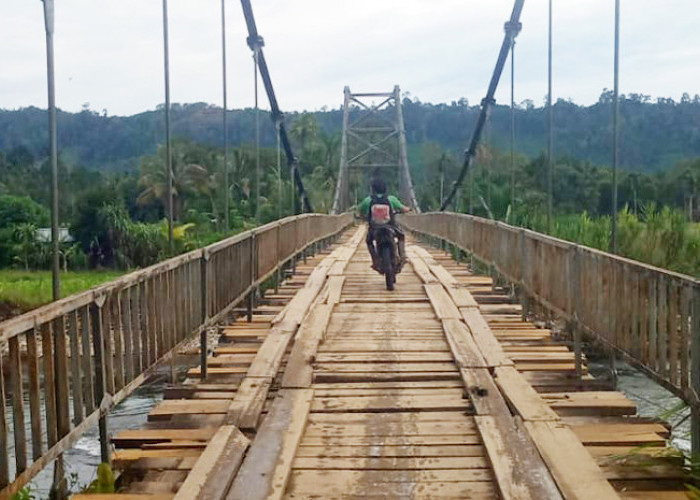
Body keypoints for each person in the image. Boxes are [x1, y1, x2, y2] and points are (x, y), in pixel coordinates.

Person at [357, 178, 409, 272]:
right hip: (390, 227)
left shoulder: (368, 200)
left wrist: (362, 217)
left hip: (374, 228)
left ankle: (375, 260)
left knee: (369, 241)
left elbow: (359, 211)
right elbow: (403, 209)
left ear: (373, 189)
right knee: (401, 236)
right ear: (385, 189)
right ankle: (402, 256)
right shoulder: (391, 199)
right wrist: (407, 209)